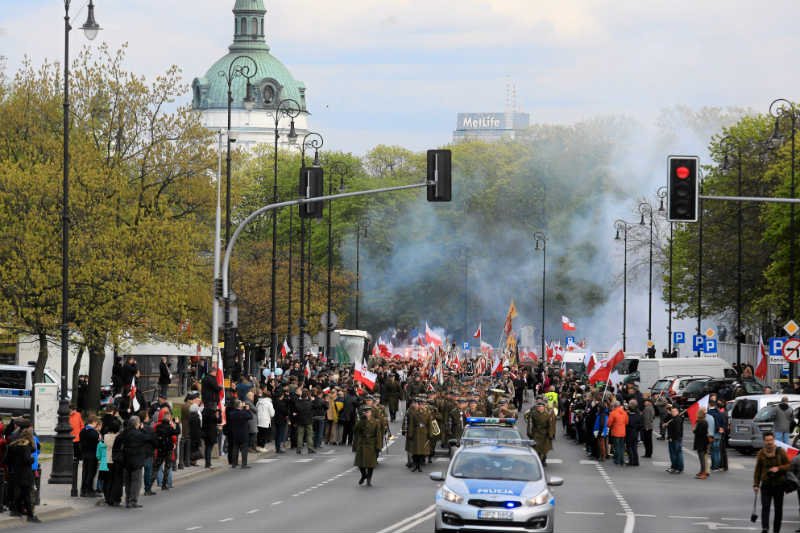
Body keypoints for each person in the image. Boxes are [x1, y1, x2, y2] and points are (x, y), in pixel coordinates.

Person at [754, 432, 790, 533]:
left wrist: (778, 468)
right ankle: (765, 528)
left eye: (771, 440)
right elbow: (758, 470)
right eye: (767, 440)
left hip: (779, 484)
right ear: (764, 441)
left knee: (778, 509)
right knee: (765, 507)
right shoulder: (761, 453)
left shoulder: (780, 451)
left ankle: (776, 530)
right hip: (766, 484)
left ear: (774, 440)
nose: (769, 442)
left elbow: (788, 465)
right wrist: (756, 484)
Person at [118, 415, 155, 508]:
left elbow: (118, 441)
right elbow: (150, 438)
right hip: (137, 460)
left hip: (126, 459)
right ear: (137, 424)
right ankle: (133, 500)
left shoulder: (125, 433)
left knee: (128, 481)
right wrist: (142, 429)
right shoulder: (139, 434)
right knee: (136, 481)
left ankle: (127, 500)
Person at [6, 428, 39, 522]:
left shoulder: (15, 445)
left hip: (16, 473)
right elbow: (26, 460)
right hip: (25, 473)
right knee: (26, 494)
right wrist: (32, 459)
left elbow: (8, 459)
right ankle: (30, 516)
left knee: (21, 493)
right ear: (30, 436)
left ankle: (16, 510)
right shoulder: (26, 445)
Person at [353, 406, 382, 487]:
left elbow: (378, 435)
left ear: (371, 412)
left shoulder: (375, 422)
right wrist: (361, 420)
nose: (366, 413)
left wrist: (378, 446)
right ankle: (363, 475)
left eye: (368, 412)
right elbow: (355, 430)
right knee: (360, 463)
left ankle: (369, 479)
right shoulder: (361, 421)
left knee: (370, 464)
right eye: (365, 412)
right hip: (362, 443)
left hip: (371, 443)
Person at [526, 401, 555, 467]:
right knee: (536, 448)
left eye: (540, 406)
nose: (539, 408)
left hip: (545, 433)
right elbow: (530, 423)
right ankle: (538, 461)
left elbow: (550, 425)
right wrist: (529, 433)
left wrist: (550, 434)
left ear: (543, 407)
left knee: (544, 449)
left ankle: (543, 460)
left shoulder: (547, 414)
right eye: (538, 407)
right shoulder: (533, 414)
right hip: (536, 433)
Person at [79, 414, 101, 497]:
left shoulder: (83, 430)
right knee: (91, 473)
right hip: (92, 454)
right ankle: (89, 490)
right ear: (94, 422)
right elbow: (98, 440)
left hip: (85, 454)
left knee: (85, 473)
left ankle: (83, 490)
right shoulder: (93, 432)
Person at [227, 400, 253, 468]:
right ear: (239, 405)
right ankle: (244, 464)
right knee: (244, 449)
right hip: (244, 433)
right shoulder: (243, 413)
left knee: (235, 448)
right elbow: (250, 417)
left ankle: (234, 463)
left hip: (235, 433)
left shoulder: (231, 413)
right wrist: (247, 410)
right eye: (241, 403)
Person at [607, 400, 629, 466]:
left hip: (615, 431)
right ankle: (622, 460)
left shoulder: (613, 413)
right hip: (623, 431)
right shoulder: (624, 413)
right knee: (622, 447)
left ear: (614, 406)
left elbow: (609, 424)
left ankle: (617, 460)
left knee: (616, 447)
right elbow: (626, 422)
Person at [665, 406, 684, 474]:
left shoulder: (677, 419)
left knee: (675, 454)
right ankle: (675, 467)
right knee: (676, 453)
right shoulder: (673, 418)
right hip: (675, 438)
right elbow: (665, 419)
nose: (673, 413)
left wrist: (671, 438)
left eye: (674, 411)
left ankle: (677, 467)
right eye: (672, 411)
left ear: (678, 412)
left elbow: (677, 431)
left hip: (675, 439)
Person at [693, 408, 710, 479]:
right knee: (701, 458)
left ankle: (703, 473)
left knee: (702, 458)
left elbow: (699, 432)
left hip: (701, 442)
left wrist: (694, 430)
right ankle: (702, 471)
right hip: (703, 442)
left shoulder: (701, 422)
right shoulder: (703, 422)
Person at [625, 400, 643, 466]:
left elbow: (627, 423)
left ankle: (631, 461)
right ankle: (636, 461)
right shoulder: (638, 414)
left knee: (629, 447)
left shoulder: (629, 414)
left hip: (629, 432)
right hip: (635, 432)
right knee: (634, 447)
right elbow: (641, 425)